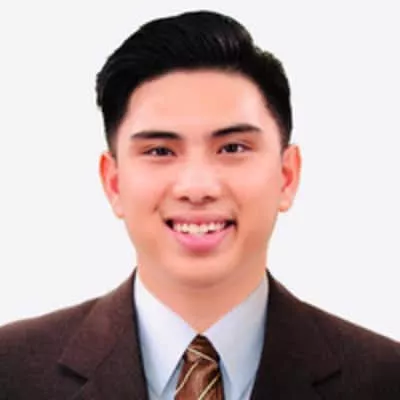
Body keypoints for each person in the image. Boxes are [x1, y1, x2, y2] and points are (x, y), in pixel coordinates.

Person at [0, 10, 399, 400]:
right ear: (114, 182)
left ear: (287, 175)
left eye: (233, 148)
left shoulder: (384, 378)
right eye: (160, 150)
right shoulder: (12, 369)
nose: (197, 187)